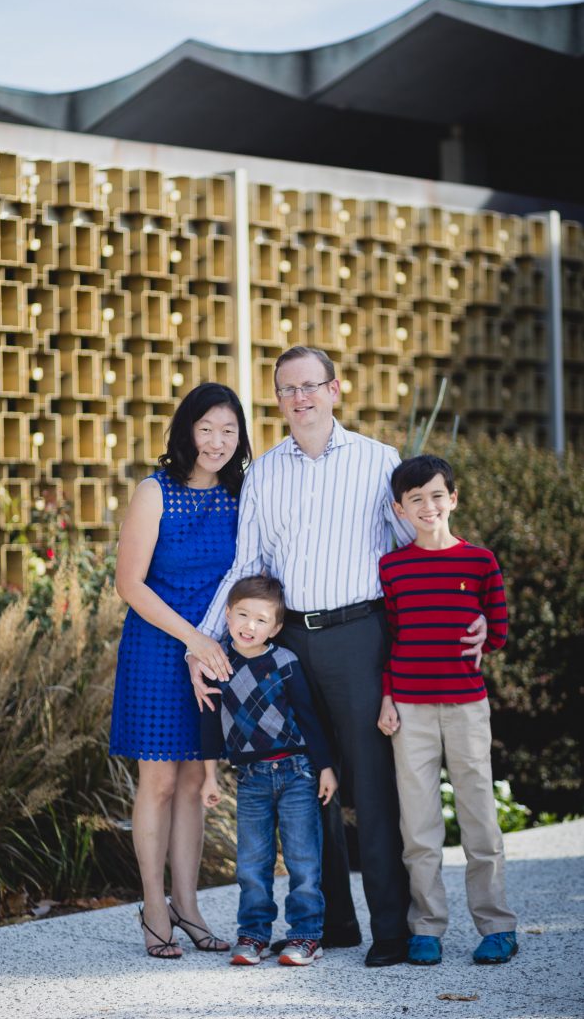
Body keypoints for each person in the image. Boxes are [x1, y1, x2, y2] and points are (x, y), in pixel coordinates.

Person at [189, 345, 487, 967]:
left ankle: (392, 931)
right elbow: (248, 567)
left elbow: (426, 542)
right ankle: (329, 925)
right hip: (289, 644)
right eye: (287, 390)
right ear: (279, 400)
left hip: (361, 637)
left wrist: (472, 606)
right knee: (306, 787)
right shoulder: (265, 472)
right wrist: (204, 640)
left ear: (335, 389)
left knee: (373, 787)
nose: (300, 399)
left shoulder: (380, 463)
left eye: (311, 386)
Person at [110, 382, 251, 959]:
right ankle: (152, 906)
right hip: (158, 648)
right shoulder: (155, 491)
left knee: (196, 781)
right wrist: (190, 639)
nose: (217, 441)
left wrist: (217, 642)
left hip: (214, 650)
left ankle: (188, 905)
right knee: (162, 780)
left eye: (229, 430)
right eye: (206, 428)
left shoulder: (242, 492)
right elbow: (129, 583)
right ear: (186, 431)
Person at [377, 454, 518, 966]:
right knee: (418, 828)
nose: (428, 506)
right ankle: (427, 927)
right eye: (416, 499)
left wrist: (485, 624)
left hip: (465, 706)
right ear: (400, 509)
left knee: (480, 820)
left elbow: (498, 632)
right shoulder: (392, 567)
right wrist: (388, 695)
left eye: (437, 495)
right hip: (410, 709)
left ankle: (497, 925)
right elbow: (390, 639)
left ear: (453, 498)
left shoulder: (480, 562)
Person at [200, 575, 338, 966]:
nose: (250, 626)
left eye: (261, 620)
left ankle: (306, 936)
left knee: (303, 861)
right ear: (227, 614)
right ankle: (253, 935)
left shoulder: (285, 662)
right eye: (242, 615)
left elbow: (310, 719)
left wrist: (325, 768)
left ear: (276, 627)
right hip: (251, 780)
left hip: (297, 773)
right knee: (251, 864)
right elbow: (209, 725)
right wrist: (209, 776)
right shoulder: (218, 663)